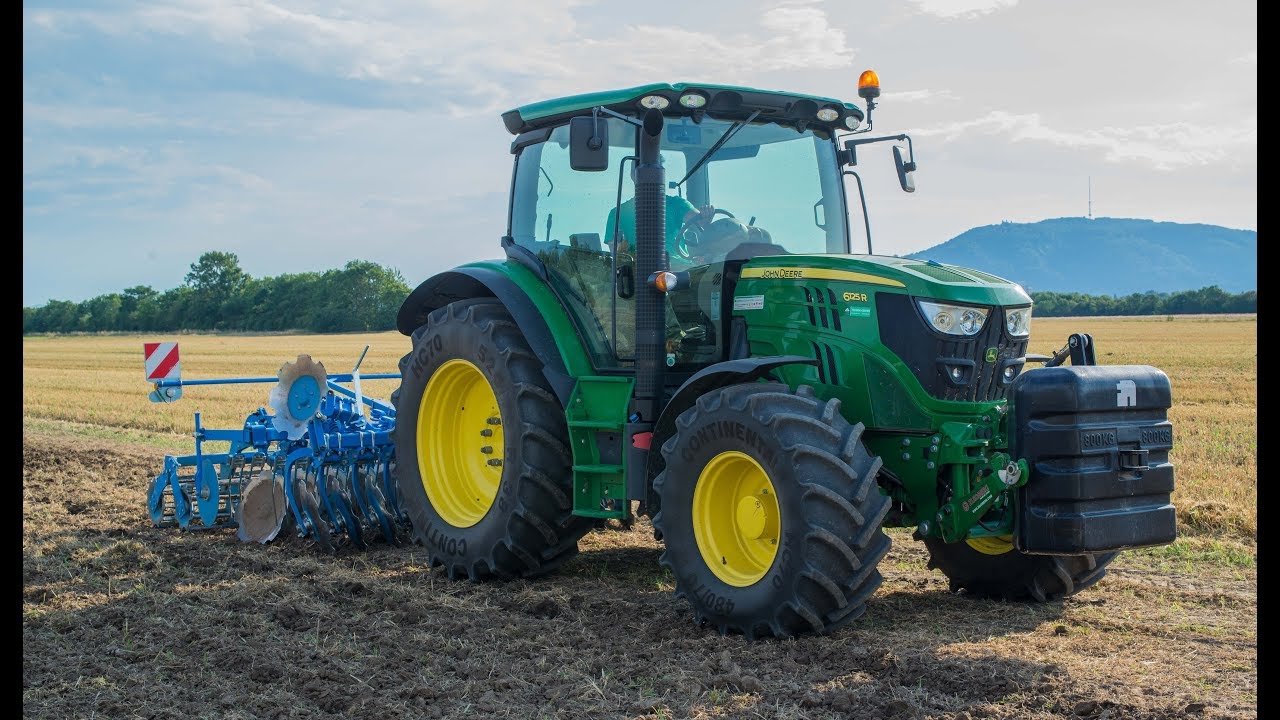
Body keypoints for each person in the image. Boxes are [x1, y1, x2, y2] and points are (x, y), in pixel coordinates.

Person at [604, 160, 715, 264]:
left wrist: (706, 216)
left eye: (654, 170)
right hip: (638, 272)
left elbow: (699, 222)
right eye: (644, 171)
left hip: (680, 270)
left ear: (661, 173)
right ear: (633, 174)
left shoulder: (677, 204)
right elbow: (617, 254)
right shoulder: (617, 214)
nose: (649, 175)